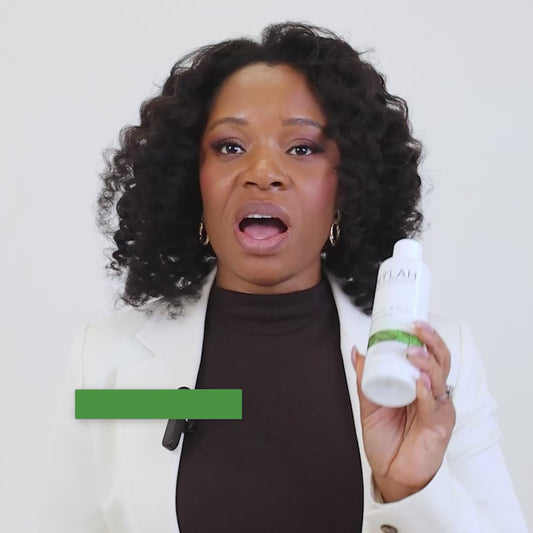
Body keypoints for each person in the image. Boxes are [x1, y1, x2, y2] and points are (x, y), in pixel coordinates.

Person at [41, 22, 528, 532]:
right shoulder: (104, 364)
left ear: (347, 185)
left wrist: (411, 490)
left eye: (302, 148)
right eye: (230, 146)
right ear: (191, 178)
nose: (263, 172)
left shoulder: (435, 365)